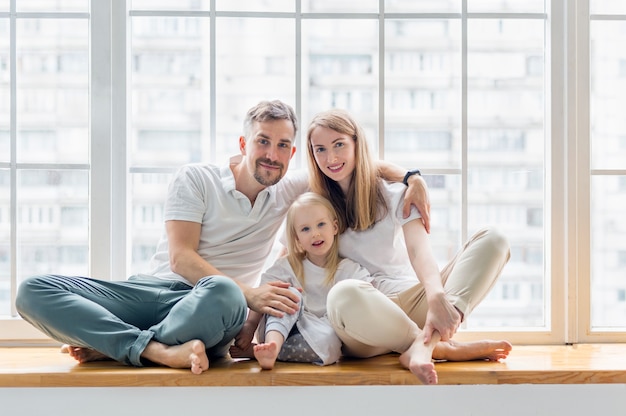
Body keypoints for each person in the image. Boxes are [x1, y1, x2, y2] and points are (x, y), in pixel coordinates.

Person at [15, 100, 430, 374]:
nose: (272, 153)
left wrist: (411, 178)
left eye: (283, 145)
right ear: (243, 143)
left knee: (222, 294)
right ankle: (157, 350)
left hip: (216, 310)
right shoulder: (197, 179)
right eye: (263, 141)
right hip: (157, 293)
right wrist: (252, 294)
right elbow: (180, 259)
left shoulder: (289, 189)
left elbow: (352, 165)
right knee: (33, 291)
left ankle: (117, 345)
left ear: (292, 154)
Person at [305, 108, 513, 385]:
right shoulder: (312, 202)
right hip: (365, 321)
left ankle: (423, 346)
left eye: (339, 144)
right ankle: (437, 346)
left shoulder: (394, 193)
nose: (330, 158)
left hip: (411, 300)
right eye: (320, 149)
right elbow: (292, 261)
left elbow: (419, 251)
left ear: (357, 143)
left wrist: (436, 296)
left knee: (494, 239)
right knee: (342, 294)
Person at [237, 192, 372, 369]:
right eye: (305, 229)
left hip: (317, 335)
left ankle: (266, 353)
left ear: (335, 227)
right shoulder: (287, 266)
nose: (315, 234)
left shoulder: (349, 270)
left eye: (321, 225)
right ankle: (272, 346)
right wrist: (250, 325)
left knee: (332, 344)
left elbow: (368, 297)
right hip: (278, 329)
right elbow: (264, 294)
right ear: (297, 238)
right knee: (289, 293)